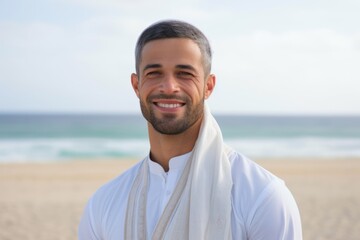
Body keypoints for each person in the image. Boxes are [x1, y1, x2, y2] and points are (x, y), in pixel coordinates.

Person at [78, 20, 302, 240]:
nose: (169, 87)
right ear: (137, 86)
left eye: (184, 74)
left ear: (208, 86)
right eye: (154, 73)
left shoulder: (262, 196)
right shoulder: (104, 204)